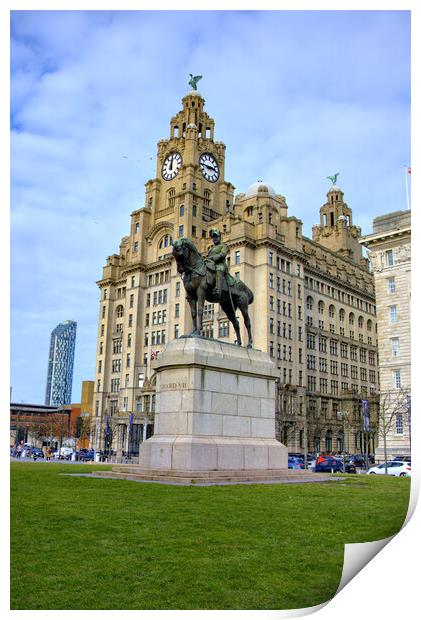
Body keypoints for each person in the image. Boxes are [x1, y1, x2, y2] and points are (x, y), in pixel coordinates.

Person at [207, 229, 229, 299]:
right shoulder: (210, 249)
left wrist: (213, 258)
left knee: (219, 269)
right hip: (211, 265)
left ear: (220, 237)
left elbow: (222, 254)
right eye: (213, 237)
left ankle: (218, 289)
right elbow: (208, 258)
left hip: (220, 265)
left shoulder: (224, 246)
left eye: (216, 237)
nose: (215, 238)